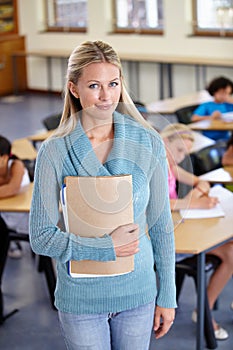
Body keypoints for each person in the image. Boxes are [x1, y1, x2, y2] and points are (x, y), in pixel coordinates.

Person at [29, 40, 176, 350]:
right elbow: (41, 237)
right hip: (81, 301)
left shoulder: (147, 140)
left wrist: (168, 295)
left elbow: (161, 224)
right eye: (94, 85)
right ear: (74, 88)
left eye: (113, 83)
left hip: (138, 293)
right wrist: (107, 247)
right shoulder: (54, 151)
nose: (107, 95)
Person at [161, 123, 233, 340]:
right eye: (180, 150)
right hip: (166, 239)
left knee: (231, 250)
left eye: (186, 152)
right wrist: (191, 203)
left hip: (181, 226)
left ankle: (205, 308)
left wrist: (200, 190)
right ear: (164, 142)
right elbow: (156, 204)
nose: (182, 156)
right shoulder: (154, 166)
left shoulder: (171, 165)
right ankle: (204, 311)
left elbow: (200, 181)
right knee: (230, 254)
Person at [0, 135, 30, 258]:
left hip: (21, 211)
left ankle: (12, 241)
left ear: (4, 158)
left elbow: (12, 188)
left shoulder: (16, 165)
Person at [191, 76, 233, 141]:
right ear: (214, 92)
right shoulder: (206, 105)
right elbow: (194, 118)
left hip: (225, 139)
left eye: (228, 94)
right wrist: (211, 117)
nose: (225, 96)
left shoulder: (228, 105)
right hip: (209, 139)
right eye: (222, 93)